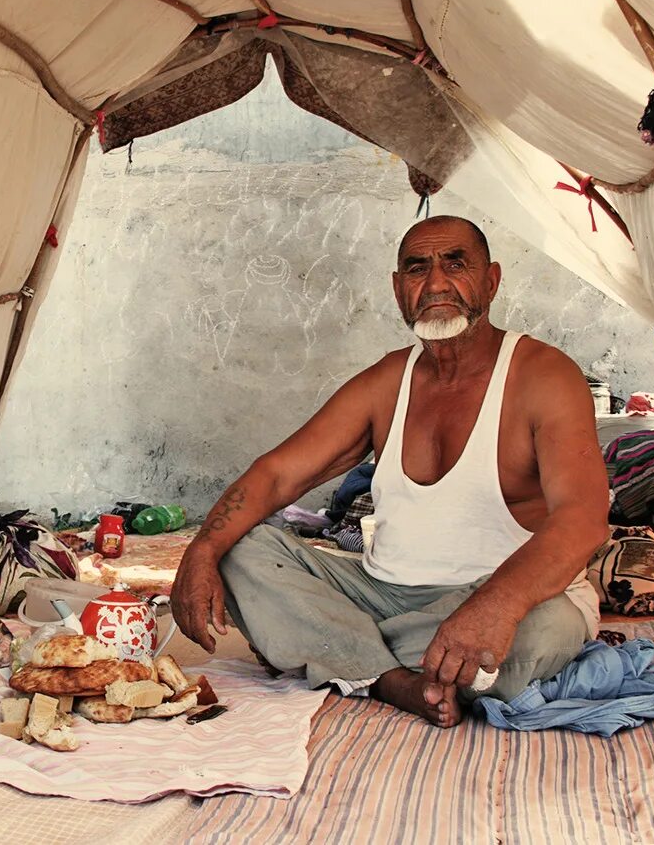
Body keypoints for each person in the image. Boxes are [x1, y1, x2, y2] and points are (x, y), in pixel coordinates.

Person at [172, 216, 609, 727]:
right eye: (417, 268)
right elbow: (276, 476)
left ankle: (344, 651)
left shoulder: (543, 375)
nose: (437, 283)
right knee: (238, 548)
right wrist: (200, 549)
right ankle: (394, 676)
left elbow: (583, 518)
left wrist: (497, 606)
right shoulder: (386, 381)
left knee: (547, 628)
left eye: (456, 264)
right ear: (398, 288)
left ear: (491, 280)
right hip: (381, 592)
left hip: (496, 590)